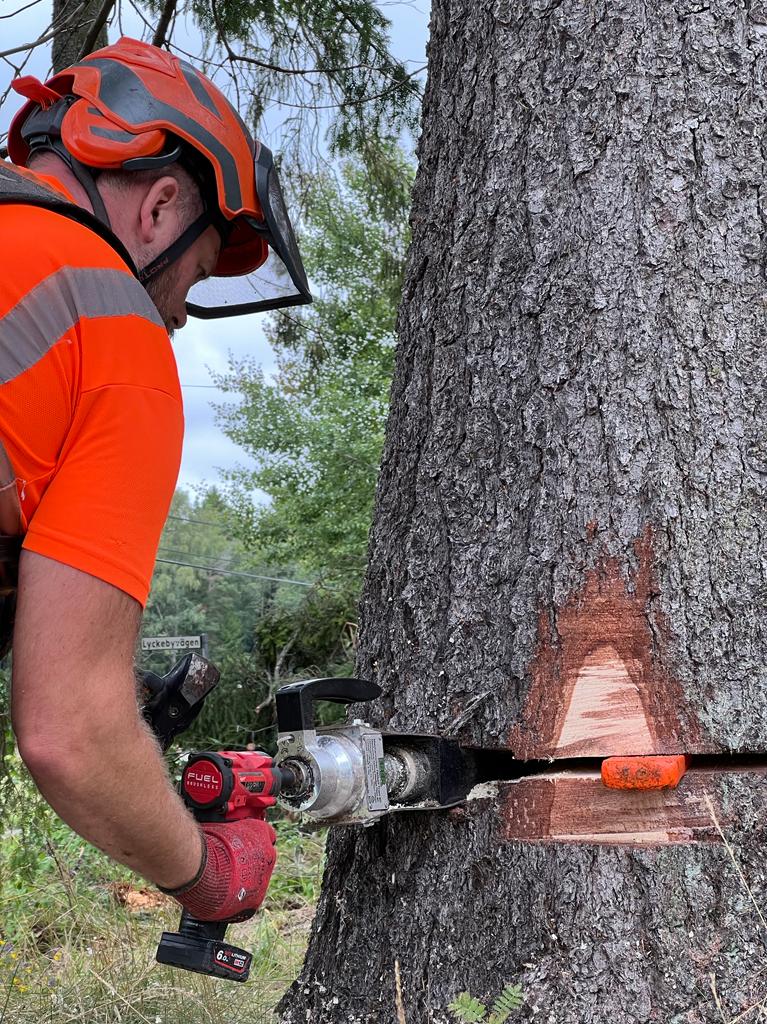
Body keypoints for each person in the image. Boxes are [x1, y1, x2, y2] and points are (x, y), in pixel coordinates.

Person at [0, 37, 311, 923]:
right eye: (199, 275)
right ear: (162, 204)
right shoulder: (111, 324)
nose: (178, 316)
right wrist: (206, 873)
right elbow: (70, 732)